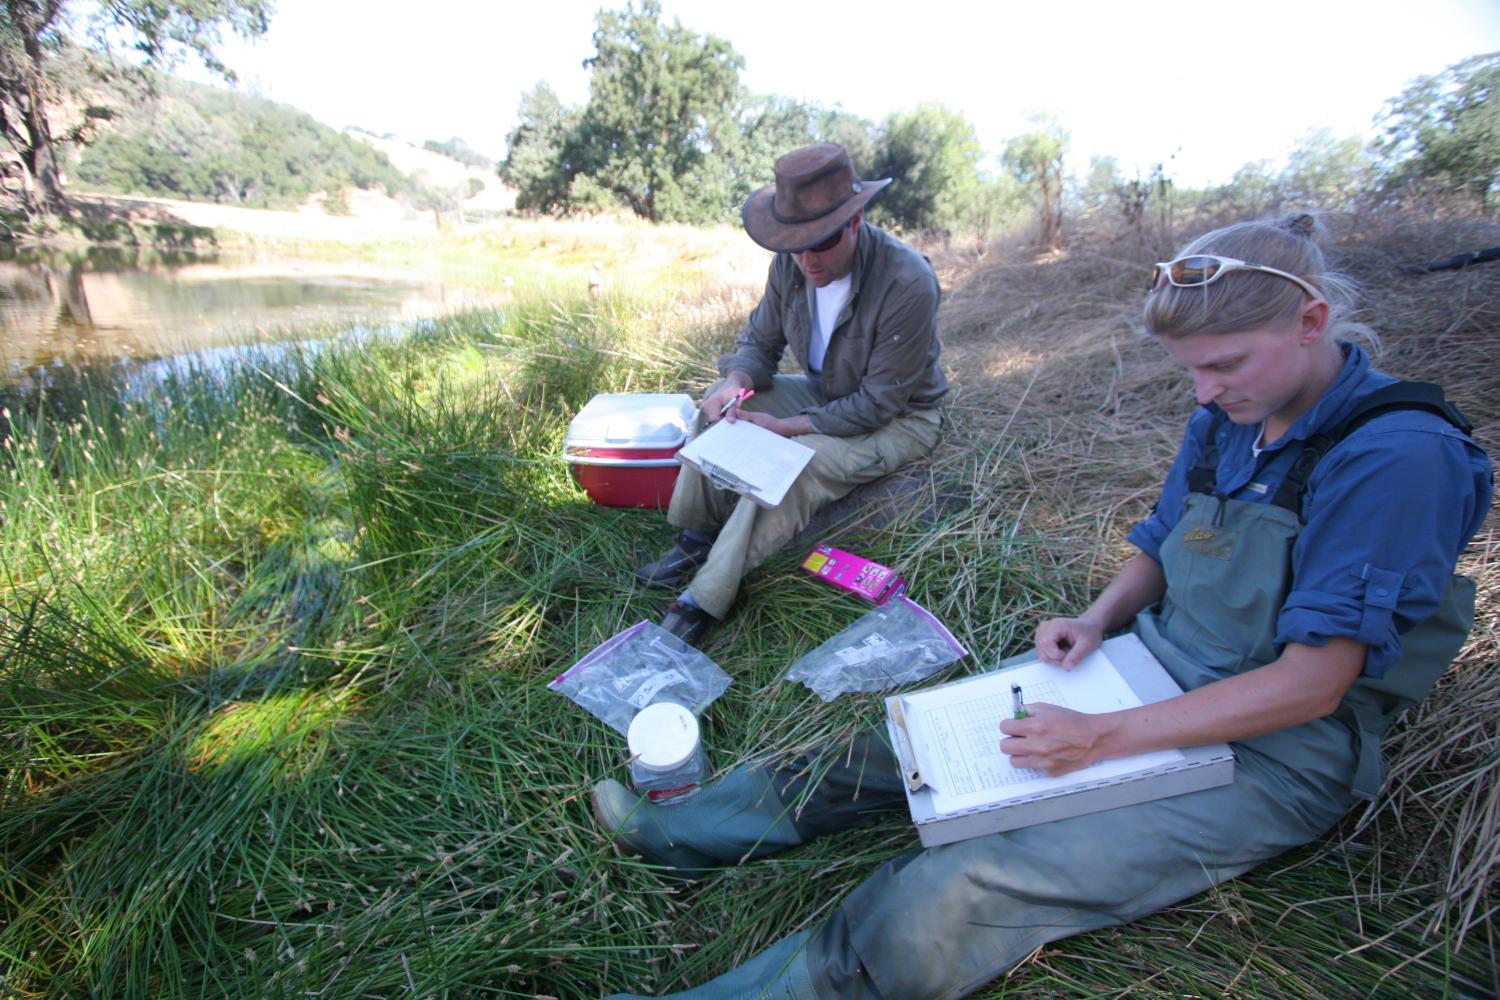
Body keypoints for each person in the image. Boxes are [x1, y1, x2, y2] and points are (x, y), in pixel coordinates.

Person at [592, 214, 1493, 998]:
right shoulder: (1231, 411)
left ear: (1311, 323)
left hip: (1273, 754)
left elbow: (1314, 685)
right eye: (1191, 372)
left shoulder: (1397, 456)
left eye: (1222, 365)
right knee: (908, 741)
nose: (1205, 393)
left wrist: (1101, 739)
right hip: (1144, 667)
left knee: (969, 883)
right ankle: (685, 829)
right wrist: (1100, 621)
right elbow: (1162, 539)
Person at [635, 143, 950, 646]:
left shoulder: (906, 280)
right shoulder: (791, 265)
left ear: (855, 220)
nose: (807, 260)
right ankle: (698, 535)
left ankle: (705, 597)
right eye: (793, 245)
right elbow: (759, 344)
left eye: (820, 242)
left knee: (791, 466)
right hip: (829, 393)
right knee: (719, 404)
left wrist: (787, 428)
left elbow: (880, 403)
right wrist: (737, 384)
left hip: (902, 419)